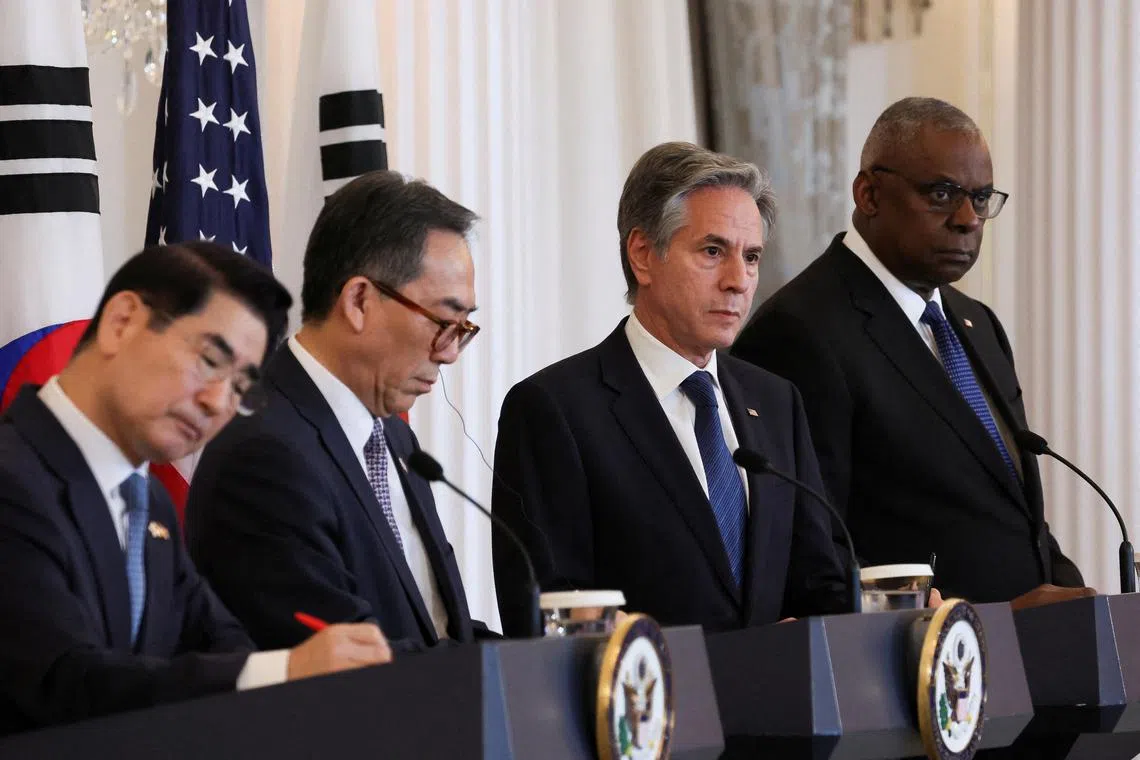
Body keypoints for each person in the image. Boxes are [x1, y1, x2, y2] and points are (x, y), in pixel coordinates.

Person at [0, 243, 391, 735]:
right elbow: (64, 680)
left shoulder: (150, 503)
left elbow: (218, 640)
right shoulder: (12, 477)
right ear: (122, 322)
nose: (216, 403)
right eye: (210, 360)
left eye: (240, 388)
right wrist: (282, 671)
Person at [732, 97, 1093, 607]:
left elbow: (1014, 515)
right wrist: (995, 623)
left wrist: (1079, 599)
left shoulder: (977, 322)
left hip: (1032, 669)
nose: (968, 219)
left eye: (982, 197)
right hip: (921, 670)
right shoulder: (800, 331)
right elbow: (812, 556)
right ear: (869, 194)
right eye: (942, 194)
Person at [492, 142, 848, 637]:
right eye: (712, 251)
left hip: (780, 707)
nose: (739, 281)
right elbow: (547, 614)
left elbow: (818, 579)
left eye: (751, 257)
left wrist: (885, 612)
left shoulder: (776, 402)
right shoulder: (556, 410)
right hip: (642, 709)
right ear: (643, 254)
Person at [187, 171, 493, 652]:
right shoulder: (264, 455)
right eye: (443, 321)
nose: (449, 353)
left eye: (463, 328)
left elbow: (436, 630)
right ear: (359, 301)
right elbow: (341, 661)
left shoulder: (394, 437)